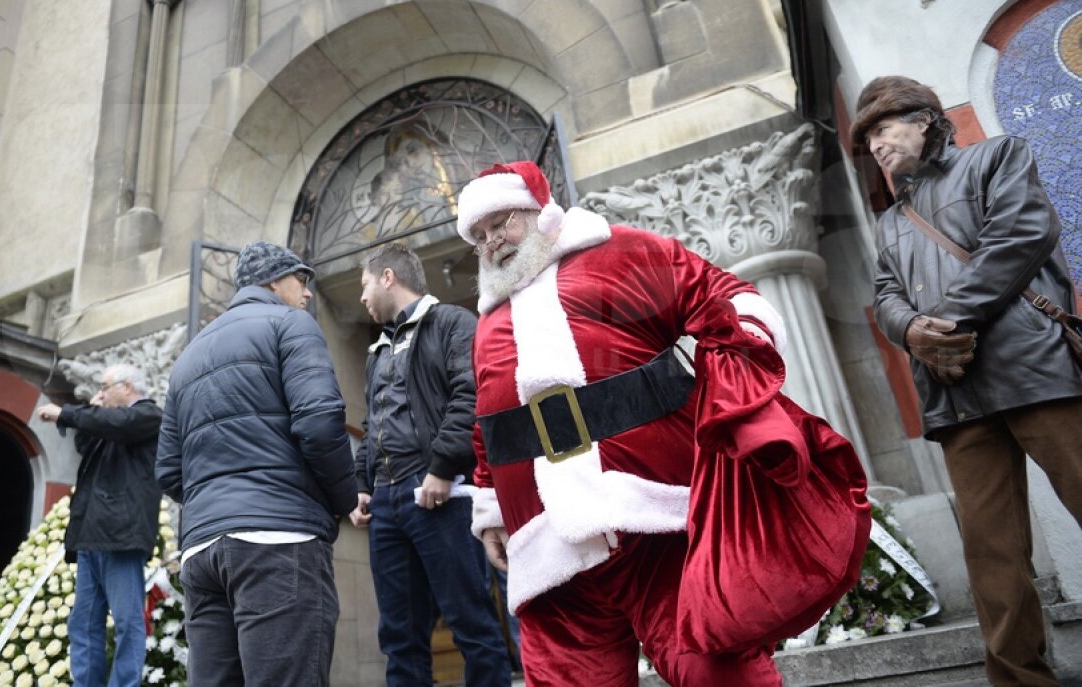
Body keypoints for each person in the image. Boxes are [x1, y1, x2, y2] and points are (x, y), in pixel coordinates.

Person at [455, 161, 871, 686]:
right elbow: (486, 425)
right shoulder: (488, 321)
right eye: (481, 237)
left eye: (503, 223)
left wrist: (740, 369)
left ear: (541, 213)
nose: (493, 242)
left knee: (714, 673)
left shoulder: (618, 252)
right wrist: (491, 511)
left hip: (658, 521)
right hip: (549, 549)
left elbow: (724, 296)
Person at [856, 75, 1082, 687]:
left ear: (925, 120)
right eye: (868, 137)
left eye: (883, 127)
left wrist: (948, 321)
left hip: (1033, 366)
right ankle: (1019, 679)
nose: (875, 145)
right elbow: (884, 295)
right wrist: (911, 334)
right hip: (954, 394)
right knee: (993, 556)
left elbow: (1022, 235)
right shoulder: (890, 221)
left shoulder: (997, 157)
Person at [155, 241, 357, 687]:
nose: (307, 293)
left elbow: (168, 469)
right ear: (272, 281)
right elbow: (321, 424)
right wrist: (344, 499)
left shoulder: (187, 357)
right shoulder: (290, 324)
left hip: (203, 552)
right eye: (300, 280)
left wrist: (218, 503)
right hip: (277, 541)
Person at [350, 242, 512, 686]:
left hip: (440, 495)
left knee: (472, 624)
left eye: (365, 284)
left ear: (388, 277)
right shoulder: (377, 350)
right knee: (399, 636)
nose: (361, 298)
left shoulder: (453, 323)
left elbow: (470, 394)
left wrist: (441, 468)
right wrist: (363, 485)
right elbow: (372, 420)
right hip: (385, 505)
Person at [37, 364, 162, 687]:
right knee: (84, 624)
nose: (101, 393)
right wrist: (90, 413)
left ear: (128, 388)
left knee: (127, 622)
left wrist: (67, 413)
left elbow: (120, 424)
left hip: (121, 536)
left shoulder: (148, 416)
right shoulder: (110, 423)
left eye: (106, 387)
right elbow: (86, 445)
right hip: (91, 536)